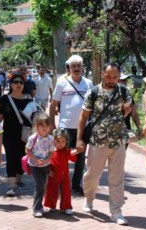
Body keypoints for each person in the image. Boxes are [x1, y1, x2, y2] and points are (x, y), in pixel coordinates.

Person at [76, 63, 132, 225]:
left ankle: (116, 211)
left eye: (115, 77)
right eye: (108, 76)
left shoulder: (123, 91)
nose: (111, 80)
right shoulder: (93, 93)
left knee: (117, 177)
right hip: (97, 141)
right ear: (102, 74)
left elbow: (127, 112)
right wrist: (80, 139)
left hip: (118, 140)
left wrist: (127, 110)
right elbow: (83, 117)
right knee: (92, 176)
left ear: (119, 76)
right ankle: (89, 198)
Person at [49, 54, 93, 196]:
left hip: (83, 127)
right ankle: (62, 183)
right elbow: (53, 104)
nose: (76, 68)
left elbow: (94, 105)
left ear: (82, 67)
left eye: (78, 66)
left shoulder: (88, 84)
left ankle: (76, 184)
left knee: (80, 158)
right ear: (69, 67)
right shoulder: (62, 82)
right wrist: (52, 125)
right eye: (73, 66)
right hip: (65, 127)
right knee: (62, 158)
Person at [0, 74, 34, 196]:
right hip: (9, 134)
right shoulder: (4, 99)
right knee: (11, 158)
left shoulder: (29, 99)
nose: (18, 84)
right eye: (15, 82)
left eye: (21, 82)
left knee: (22, 158)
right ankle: (11, 186)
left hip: (25, 135)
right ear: (11, 84)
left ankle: (18, 179)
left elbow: (34, 117)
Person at [25, 113, 55, 218]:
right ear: (37, 127)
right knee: (40, 185)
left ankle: (39, 205)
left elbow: (51, 153)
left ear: (50, 127)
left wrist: (46, 161)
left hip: (45, 166)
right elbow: (27, 150)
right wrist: (35, 159)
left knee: (43, 186)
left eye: (46, 125)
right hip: (34, 165)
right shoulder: (33, 138)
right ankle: (36, 208)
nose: (44, 128)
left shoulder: (51, 139)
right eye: (42, 125)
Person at [43, 128, 79, 215]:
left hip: (64, 175)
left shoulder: (67, 151)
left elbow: (74, 159)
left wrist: (77, 151)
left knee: (66, 191)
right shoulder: (50, 152)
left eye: (63, 141)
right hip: (53, 174)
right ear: (53, 141)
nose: (60, 144)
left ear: (66, 141)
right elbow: (46, 162)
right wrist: (48, 171)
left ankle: (66, 207)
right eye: (58, 141)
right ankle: (51, 206)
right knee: (51, 190)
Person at [118, 73, 142, 148]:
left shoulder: (128, 96)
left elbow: (134, 114)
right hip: (110, 132)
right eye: (123, 80)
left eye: (126, 80)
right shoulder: (106, 95)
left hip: (125, 132)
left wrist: (139, 128)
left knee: (120, 158)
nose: (125, 82)